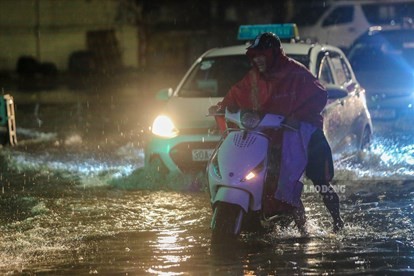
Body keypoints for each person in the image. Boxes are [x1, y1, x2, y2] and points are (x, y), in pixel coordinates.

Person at [211, 32, 344, 233]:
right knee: (277, 182)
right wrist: (221, 107)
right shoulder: (253, 78)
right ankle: (291, 225)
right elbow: (235, 95)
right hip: (273, 135)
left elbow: (320, 95)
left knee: (320, 182)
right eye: (255, 56)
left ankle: (336, 223)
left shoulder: (296, 73)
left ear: (273, 54)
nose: (258, 60)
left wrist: (297, 116)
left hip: (306, 134)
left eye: (262, 55)